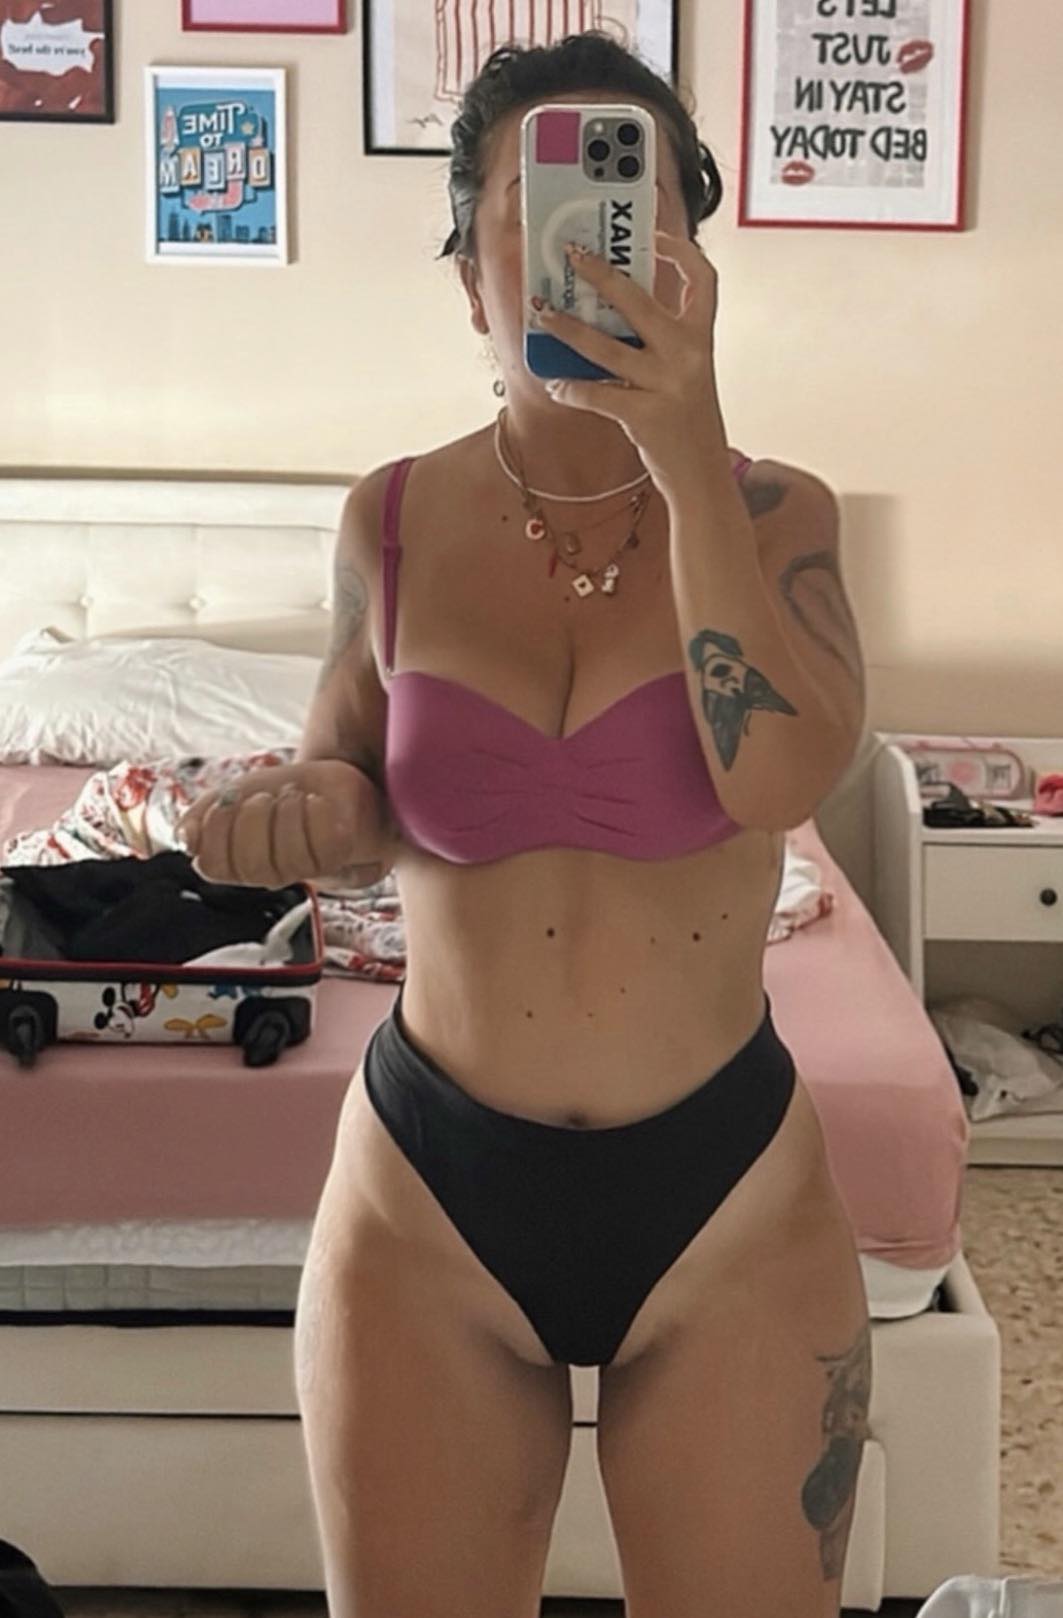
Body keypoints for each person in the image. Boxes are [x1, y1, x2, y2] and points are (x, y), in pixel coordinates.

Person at [177, 31, 871, 1618]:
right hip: (427, 1195)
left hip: (730, 1202)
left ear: (693, 264)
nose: (585, 247)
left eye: (633, 209)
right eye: (535, 209)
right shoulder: (390, 516)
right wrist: (297, 812)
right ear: (469, 279)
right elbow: (352, 785)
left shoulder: (780, 515)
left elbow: (775, 779)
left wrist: (682, 442)